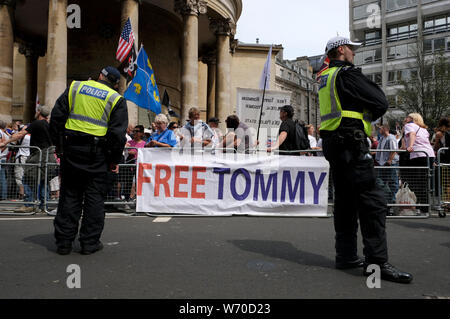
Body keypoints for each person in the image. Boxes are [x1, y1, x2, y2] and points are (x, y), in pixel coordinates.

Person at [319, 36, 412, 283]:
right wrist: (367, 115)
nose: (353, 53)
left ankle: (346, 256)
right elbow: (381, 101)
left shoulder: (325, 76)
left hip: (334, 143)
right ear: (341, 49)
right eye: (351, 48)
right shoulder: (347, 74)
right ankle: (377, 263)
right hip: (350, 141)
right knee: (373, 202)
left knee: (346, 202)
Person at [49, 66, 128, 255]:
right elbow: (117, 135)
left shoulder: (76, 87)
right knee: (94, 199)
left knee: (70, 196)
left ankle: (64, 243)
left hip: (72, 150)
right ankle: (89, 243)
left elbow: (57, 119)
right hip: (97, 154)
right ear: (116, 84)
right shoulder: (116, 98)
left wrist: (59, 147)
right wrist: (113, 160)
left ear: (100, 76)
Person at [1, 105, 55, 212]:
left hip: (39, 155)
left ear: (39, 112)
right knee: (44, 181)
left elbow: (20, 134)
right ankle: (44, 206)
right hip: (49, 155)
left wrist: (5, 142)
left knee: (28, 178)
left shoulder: (37, 123)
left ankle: (29, 204)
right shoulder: (49, 125)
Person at [400, 113, 435, 213]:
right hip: (429, 154)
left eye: (407, 117)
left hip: (419, 154)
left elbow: (412, 134)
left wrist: (410, 146)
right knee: (424, 181)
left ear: (412, 119)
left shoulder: (409, 125)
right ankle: (424, 205)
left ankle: (422, 206)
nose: (405, 119)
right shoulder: (423, 129)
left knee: (417, 181)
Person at [375, 123, 399, 204]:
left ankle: (392, 200)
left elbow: (394, 150)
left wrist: (389, 160)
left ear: (385, 129)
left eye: (380, 129)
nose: (379, 131)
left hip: (390, 163)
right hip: (382, 163)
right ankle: (384, 199)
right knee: (381, 181)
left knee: (392, 181)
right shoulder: (382, 138)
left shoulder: (391, 138)